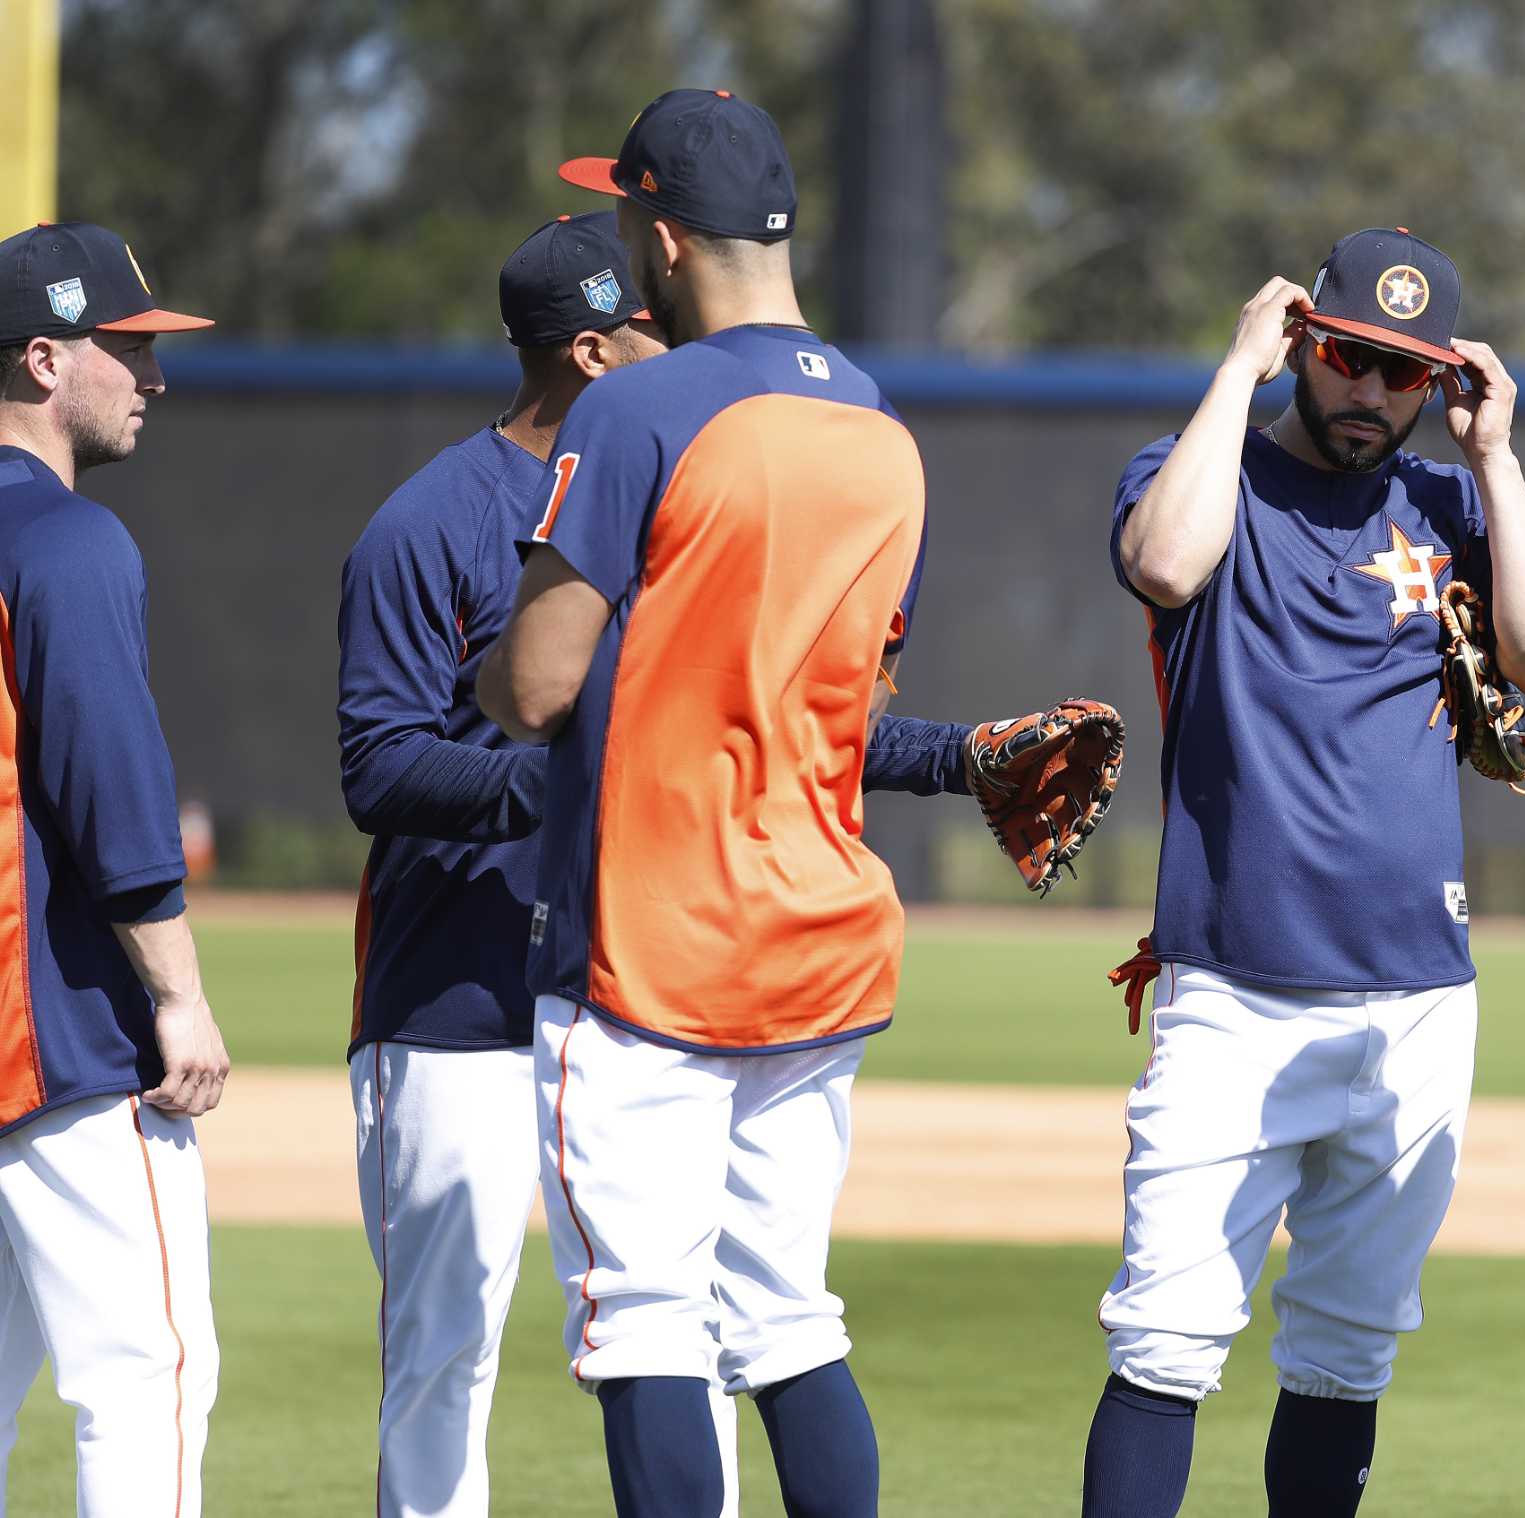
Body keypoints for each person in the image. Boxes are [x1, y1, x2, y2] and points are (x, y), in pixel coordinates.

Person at [340, 210, 985, 1518]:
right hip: (458, 994)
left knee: (701, 1332)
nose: (689, 337)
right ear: (589, 350)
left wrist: (959, 757)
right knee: (443, 1358)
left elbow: (789, 732)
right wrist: (586, 774)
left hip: (666, 976)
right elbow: (381, 769)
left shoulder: (711, 493)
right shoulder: (427, 525)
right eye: (653, 323)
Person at [1087, 228, 1525, 1517]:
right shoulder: (1203, 476)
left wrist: (1496, 457)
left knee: (1343, 1357)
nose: (1374, 392)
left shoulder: (1453, 507)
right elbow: (1160, 564)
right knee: (1163, 1338)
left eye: (1405, 373)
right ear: (1305, 342)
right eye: (1353, 357)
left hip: (1417, 997)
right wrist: (1237, 370)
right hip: (1235, 993)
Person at [477, 89, 927, 1518]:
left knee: (647, 1321)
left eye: (626, 209)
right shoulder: (877, 418)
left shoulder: (639, 403)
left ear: (661, 236)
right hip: (819, 919)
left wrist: (499, 664)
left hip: (653, 935)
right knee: (789, 1312)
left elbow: (538, 688)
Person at [0, 221, 231, 1514]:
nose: (152, 376)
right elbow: (112, 795)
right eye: (128, 346)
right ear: (44, 357)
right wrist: (178, 991)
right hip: (62, 1039)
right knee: (147, 1375)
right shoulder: (69, 542)